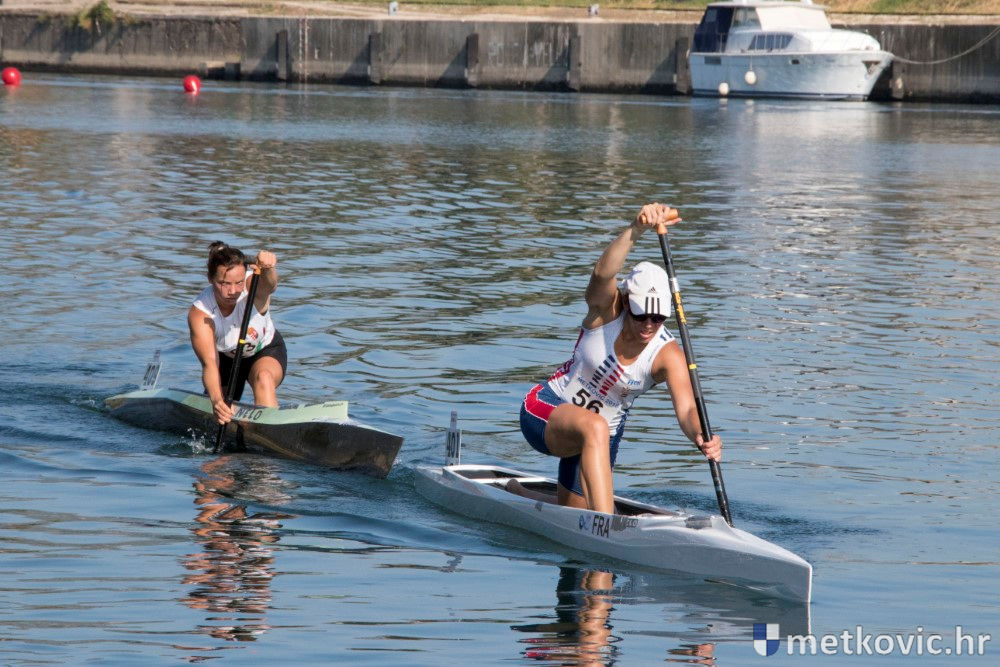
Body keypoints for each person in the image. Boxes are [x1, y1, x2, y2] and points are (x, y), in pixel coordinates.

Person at [519, 203, 722, 515]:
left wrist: (700, 434)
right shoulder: (605, 311)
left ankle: (517, 494)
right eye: (641, 315)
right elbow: (603, 272)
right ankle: (608, 530)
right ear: (627, 302)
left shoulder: (668, 354)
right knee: (596, 426)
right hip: (547, 411)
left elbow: (687, 409)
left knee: (574, 514)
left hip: (599, 442)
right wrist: (636, 229)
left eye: (658, 318)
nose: (649, 325)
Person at [188, 242, 286, 425]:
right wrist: (217, 401)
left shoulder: (253, 284)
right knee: (220, 405)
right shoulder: (201, 313)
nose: (232, 291)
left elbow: (270, 285)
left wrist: (268, 269)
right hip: (224, 360)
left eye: (238, 282)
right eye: (224, 283)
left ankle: (271, 429)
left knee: (264, 378)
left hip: (264, 351)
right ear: (210, 278)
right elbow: (210, 363)